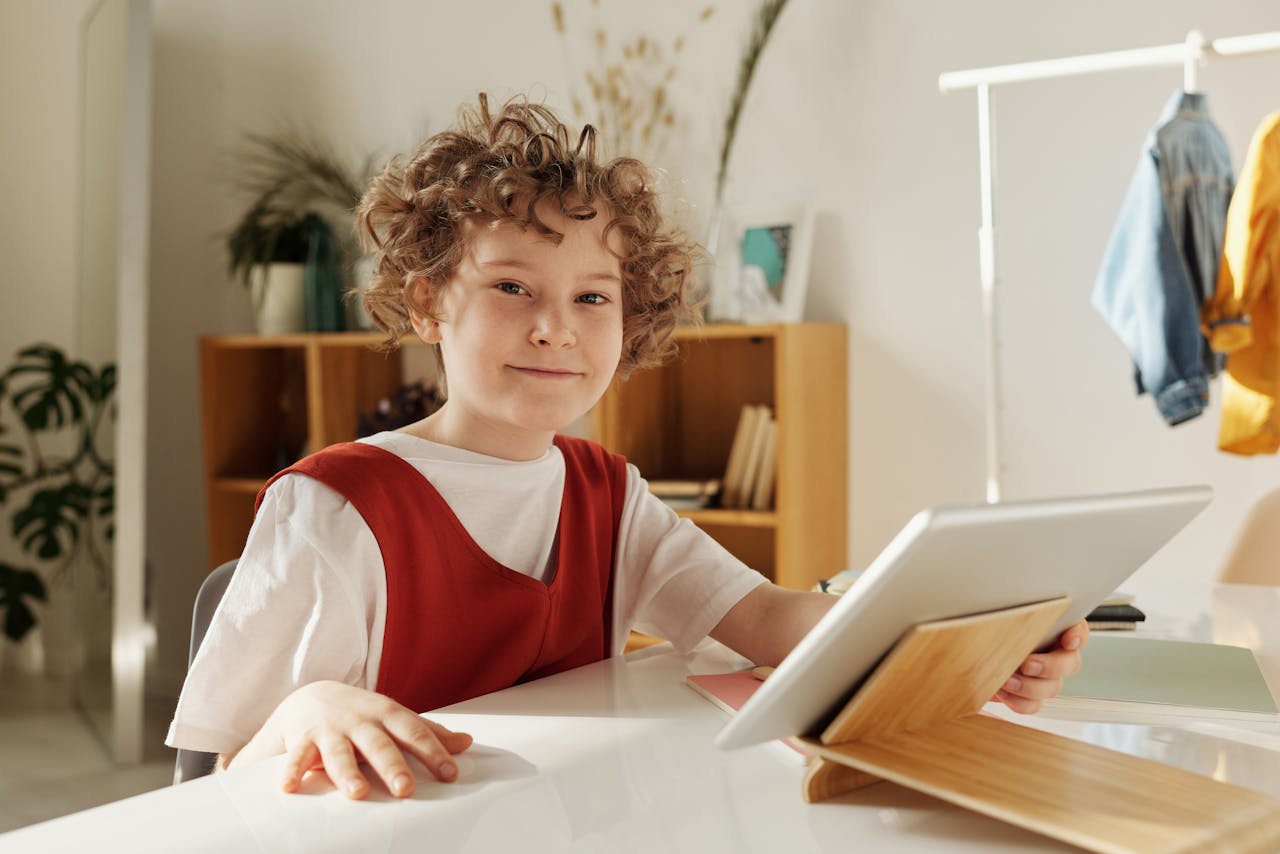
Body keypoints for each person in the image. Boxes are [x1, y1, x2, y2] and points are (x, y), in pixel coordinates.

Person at [166, 93, 1088, 801]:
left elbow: (769, 620)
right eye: (513, 288)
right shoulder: (334, 508)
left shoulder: (611, 495)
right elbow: (220, 780)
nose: (556, 328)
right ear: (427, 302)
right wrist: (306, 710)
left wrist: (973, 640)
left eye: (592, 297)